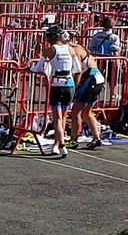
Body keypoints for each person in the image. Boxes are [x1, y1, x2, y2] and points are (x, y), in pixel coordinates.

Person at [30, 25, 80, 157]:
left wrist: (30, 68)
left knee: (57, 118)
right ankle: (57, 144)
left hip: (57, 85)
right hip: (69, 84)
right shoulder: (71, 50)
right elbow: (78, 70)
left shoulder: (49, 50)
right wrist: (75, 84)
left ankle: (62, 145)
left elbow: (36, 68)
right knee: (63, 116)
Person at [67, 32, 108, 149]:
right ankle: (96, 138)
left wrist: (74, 87)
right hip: (97, 77)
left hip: (91, 79)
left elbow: (78, 71)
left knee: (76, 112)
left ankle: (74, 139)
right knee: (86, 112)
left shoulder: (72, 50)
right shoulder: (78, 47)